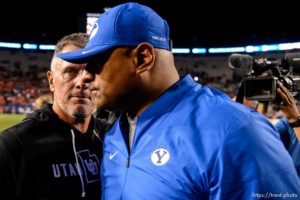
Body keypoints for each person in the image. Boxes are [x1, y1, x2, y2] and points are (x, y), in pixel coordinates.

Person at [58, 2, 300, 199]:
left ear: (143, 58)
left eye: (97, 63)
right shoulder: (114, 133)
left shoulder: (237, 131)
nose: (86, 76)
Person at [0, 33, 106, 199]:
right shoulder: (13, 146)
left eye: (91, 72)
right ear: (51, 81)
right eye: (70, 71)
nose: (81, 83)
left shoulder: (112, 138)